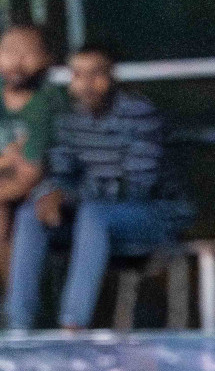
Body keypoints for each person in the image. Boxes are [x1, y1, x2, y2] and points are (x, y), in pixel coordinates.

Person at [7, 45, 188, 330]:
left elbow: (136, 186)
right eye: (78, 75)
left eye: (96, 74)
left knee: (94, 214)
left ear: (113, 77)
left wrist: (68, 196)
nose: (86, 84)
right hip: (91, 216)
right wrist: (48, 194)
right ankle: (19, 326)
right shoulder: (71, 119)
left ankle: (73, 324)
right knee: (30, 214)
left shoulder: (140, 115)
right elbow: (61, 172)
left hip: (154, 215)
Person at [0, 25, 69, 269]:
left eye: (28, 52)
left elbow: (30, 174)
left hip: (48, 191)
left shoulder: (47, 102)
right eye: (9, 50)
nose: (16, 61)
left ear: (47, 59)